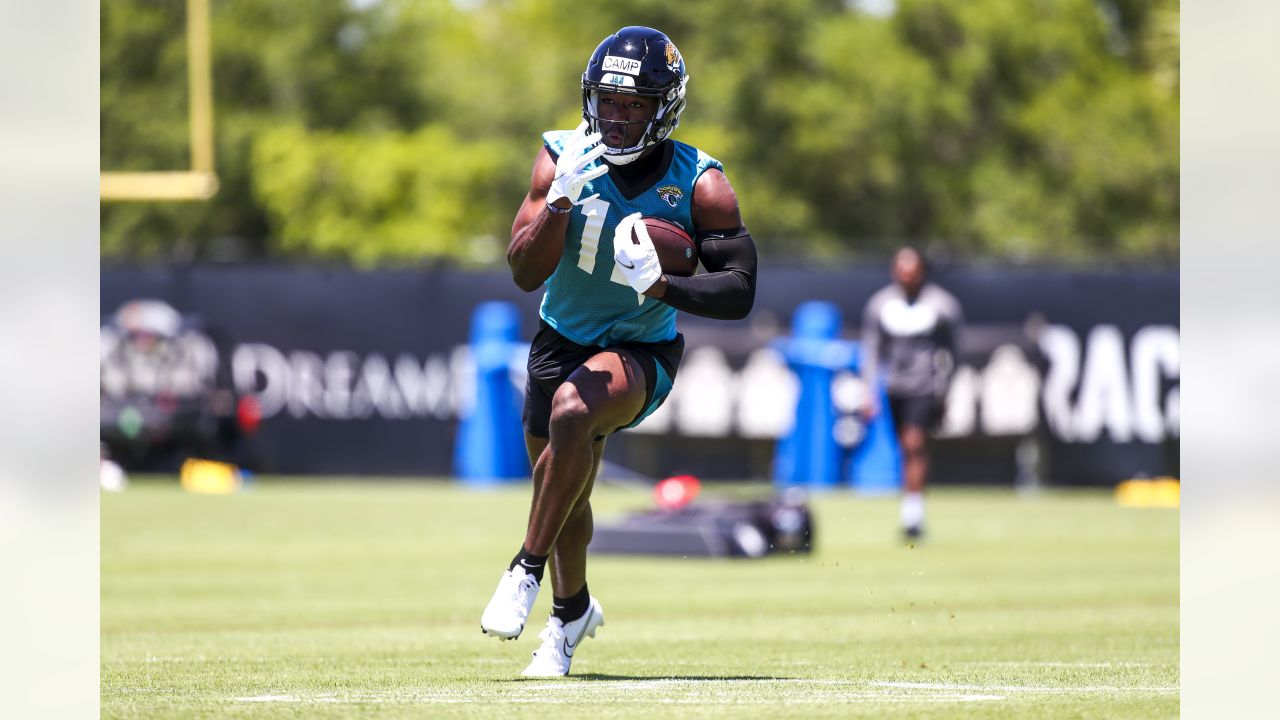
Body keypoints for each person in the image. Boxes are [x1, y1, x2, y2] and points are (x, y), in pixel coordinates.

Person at [480, 26, 758, 677]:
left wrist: (664, 285)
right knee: (564, 490)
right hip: (560, 339)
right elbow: (523, 272)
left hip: (641, 347)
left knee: (575, 415)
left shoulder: (700, 182)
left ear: (664, 105)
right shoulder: (560, 156)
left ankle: (525, 569)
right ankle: (571, 613)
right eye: (609, 99)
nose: (618, 115)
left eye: (635, 103)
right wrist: (559, 202)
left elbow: (741, 290)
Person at [860, 247, 963, 541]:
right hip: (894, 387)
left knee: (914, 443)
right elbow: (872, 350)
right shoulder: (881, 305)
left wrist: (947, 390)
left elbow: (954, 352)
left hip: (925, 386)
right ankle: (911, 505)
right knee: (904, 447)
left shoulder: (941, 306)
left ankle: (913, 515)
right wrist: (869, 391)